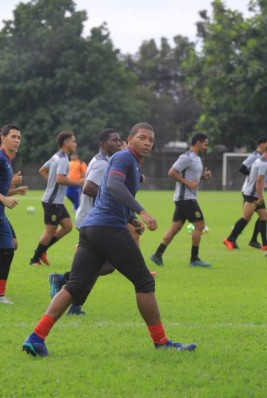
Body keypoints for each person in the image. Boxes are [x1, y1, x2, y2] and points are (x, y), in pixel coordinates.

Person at [22, 122, 196, 357]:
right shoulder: (125, 158)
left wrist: (131, 218)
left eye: (151, 140)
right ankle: (161, 342)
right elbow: (113, 185)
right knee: (145, 283)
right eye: (142, 138)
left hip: (92, 228)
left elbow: (109, 193)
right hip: (107, 229)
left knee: (74, 286)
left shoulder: (130, 161)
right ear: (130, 139)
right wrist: (142, 212)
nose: (147, 143)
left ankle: (36, 337)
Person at [49, 128, 122, 315]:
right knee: (105, 265)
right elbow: (89, 188)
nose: (118, 143)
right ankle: (64, 282)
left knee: (99, 265)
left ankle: (74, 303)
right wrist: (110, 200)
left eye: (119, 140)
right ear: (102, 144)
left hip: (92, 219)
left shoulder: (102, 161)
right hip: (92, 220)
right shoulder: (102, 164)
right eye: (114, 140)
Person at [150, 133, 212, 268]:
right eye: (205, 144)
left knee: (175, 227)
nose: (206, 147)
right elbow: (171, 172)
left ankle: (157, 255)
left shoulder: (196, 158)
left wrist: (203, 177)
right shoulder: (186, 157)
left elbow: (192, 177)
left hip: (186, 198)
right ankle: (194, 259)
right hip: (186, 198)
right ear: (198, 142)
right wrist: (188, 184)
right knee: (200, 226)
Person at [29, 131, 84, 266]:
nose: (75, 144)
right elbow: (60, 179)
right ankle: (35, 259)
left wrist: (51, 183)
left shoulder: (56, 156)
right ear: (66, 143)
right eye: (73, 141)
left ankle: (42, 250)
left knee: (67, 226)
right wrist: (78, 182)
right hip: (52, 202)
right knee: (50, 230)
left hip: (56, 201)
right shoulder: (64, 159)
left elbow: (42, 170)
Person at [0, 124, 26, 304]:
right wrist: (4, 199)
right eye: (13, 137)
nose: (17, 140)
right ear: (3, 137)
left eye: (19, 138)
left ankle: (1, 296)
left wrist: (14, 192)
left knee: (9, 249)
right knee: (8, 249)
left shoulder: (7, 160)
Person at [223, 151, 267, 250]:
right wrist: (260, 197)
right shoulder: (263, 164)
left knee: (264, 217)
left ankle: (265, 244)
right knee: (245, 218)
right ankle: (229, 239)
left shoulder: (258, 161)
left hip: (254, 193)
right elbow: (259, 181)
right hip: (252, 195)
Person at [237, 136, 267, 249]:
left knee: (263, 215)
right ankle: (231, 238)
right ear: (262, 144)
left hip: (256, 190)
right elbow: (242, 168)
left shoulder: (262, 159)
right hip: (250, 190)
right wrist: (254, 176)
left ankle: (255, 240)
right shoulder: (255, 156)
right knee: (246, 217)